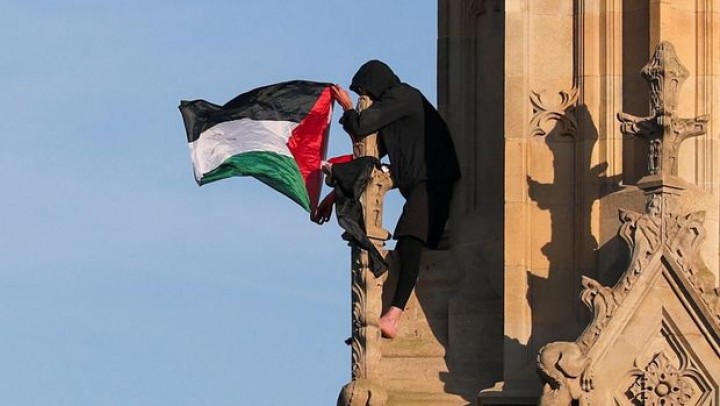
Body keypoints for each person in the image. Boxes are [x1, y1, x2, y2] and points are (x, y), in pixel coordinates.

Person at [320, 60, 461, 338]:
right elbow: (370, 162)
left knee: (410, 240)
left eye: (365, 92)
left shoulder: (403, 95)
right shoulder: (395, 115)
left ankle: (393, 316)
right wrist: (334, 189)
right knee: (414, 242)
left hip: (433, 180)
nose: (366, 99)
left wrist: (347, 106)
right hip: (423, 182)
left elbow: (361, 125)